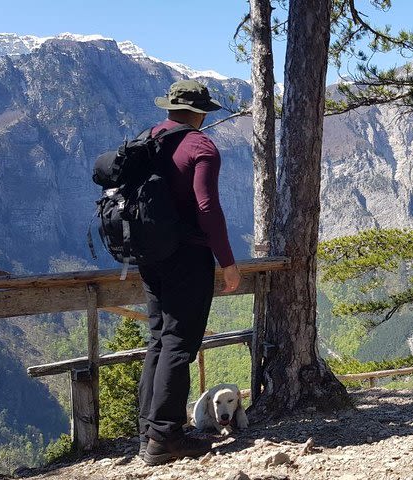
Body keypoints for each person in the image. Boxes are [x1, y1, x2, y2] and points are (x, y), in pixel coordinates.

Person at [138, 79, 242, 466]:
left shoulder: (149, 140)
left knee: (159, 339)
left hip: (149, 255)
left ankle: (149, 431)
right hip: (187, 257)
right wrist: (227, 262)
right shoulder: (200, 146)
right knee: (180, 344)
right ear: (200, 113)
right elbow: (207, 208)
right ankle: (166, 438)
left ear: (169, 108)